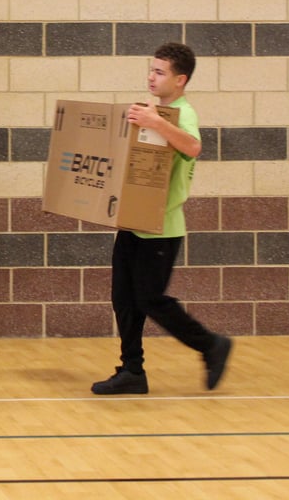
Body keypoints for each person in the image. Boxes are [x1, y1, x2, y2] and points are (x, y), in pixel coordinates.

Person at [91, 42, 232, 395]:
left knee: (150, 299)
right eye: (150, 70)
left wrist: (154, 122)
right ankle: (132, 370)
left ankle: (211, 345)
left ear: (180, 79)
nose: (151, 77)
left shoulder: (183, 114)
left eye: (159, 72)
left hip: (161, 229)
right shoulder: (155, 110)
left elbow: (193, 147)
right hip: (133, 224)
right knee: (124, 299)